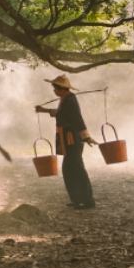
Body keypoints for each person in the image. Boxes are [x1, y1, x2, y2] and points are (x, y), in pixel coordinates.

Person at [35, 75, 96, 209]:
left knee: (77, 169)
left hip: (72, 139)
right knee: (68, 169)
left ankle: (88, 200)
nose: (53, 91)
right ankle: (77, 199)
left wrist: (86, 137)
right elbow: (61, 113)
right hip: (67, 139)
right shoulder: (65, 99)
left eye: (55, 88)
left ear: (61, 89)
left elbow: (77, 119)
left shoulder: (70, 100)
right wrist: (43, 110)